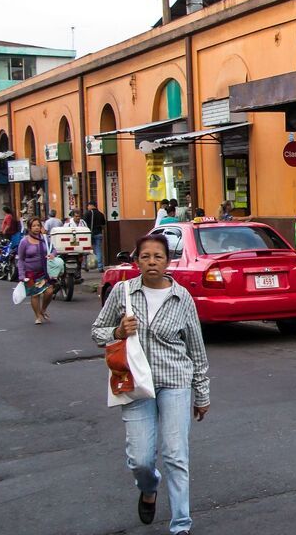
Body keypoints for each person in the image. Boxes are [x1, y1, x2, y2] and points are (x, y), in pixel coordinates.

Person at [91, 233, 210, 534]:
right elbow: (97, 333)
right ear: (137, 261)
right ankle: (148, 487)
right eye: (146, 257)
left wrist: (202, 393)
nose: (152, 262)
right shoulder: (123, 292)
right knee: (141, 459)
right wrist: (117, 331)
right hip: (135, 383)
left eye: (158, 257)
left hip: (175, 382)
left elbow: (196, 349)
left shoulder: (182, 298)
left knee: (176, 455)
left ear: (168, 261)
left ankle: (181, 524)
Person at [17, 217, 55, 324]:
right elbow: (20, 259)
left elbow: (53, 249)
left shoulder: (44, 238)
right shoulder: (24, 241)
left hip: (43, 272)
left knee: (49, 292)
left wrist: (52, 255)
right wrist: (21, 275)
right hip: (30, 273)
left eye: (38, 225)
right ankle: (37, 316)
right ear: (29, 228)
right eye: (34, 226)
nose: (36, 228)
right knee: (35, 295)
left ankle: (43, 310)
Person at [84, 200, 106, 268]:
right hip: (98, 233)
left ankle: (86, 265)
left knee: (86, 249)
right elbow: (103, 224)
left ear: (91, 205)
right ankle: (100, 266)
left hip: (89, 234)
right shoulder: (101, 214)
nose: (87, 207)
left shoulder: (87, 214)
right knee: (98, 249)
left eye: (88, 206)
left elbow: (83, 224)